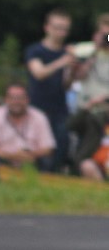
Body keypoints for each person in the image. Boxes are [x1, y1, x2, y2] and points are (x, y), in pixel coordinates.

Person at [24, 9, 78, 172]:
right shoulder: (35, 50)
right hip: (37, 106)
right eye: (58, 27)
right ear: (47, 27)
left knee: (61, 145)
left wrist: (72, 69)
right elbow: (39, 73)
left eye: (65, 29)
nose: (62, 33)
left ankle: (55, 174)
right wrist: (62, 62)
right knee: (36, 146)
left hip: (59, 108)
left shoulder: (67, 53)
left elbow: (67, 85)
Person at [67, 12, 109, 177]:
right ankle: (79, 165)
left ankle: (80, 164)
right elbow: (77, 76)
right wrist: (94, 52)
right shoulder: (87, 50)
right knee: (74, 126)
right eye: (104, 34)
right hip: (86, 107)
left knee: (95, 121)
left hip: (103, 110)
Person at [0, 83, 56, 169]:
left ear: (27, 99)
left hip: (33, 160)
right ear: (6, 100)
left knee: (47, 161)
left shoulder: (39, 117)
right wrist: (12, 156)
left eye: (20, 98)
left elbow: (48, 147)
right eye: (12, 98)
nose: (16, 102)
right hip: (2, 160)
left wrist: (29, 155)